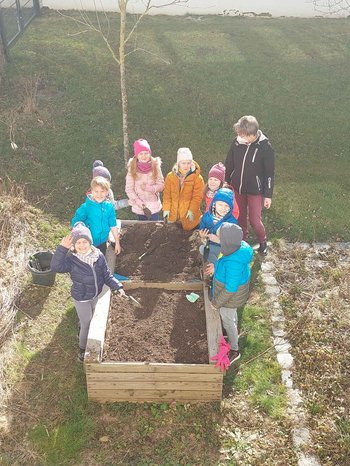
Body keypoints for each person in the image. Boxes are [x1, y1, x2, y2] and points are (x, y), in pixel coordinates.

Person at [51, 222, 126, 362]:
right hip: (81, 297)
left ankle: (82, 322)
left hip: (95, 295)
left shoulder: (98, 256)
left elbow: (107, 275)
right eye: (77, 242)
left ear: (89, 242)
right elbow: (55, 267)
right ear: (73, 245)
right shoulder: (72, 260)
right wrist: (62, 249)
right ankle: (82, 349)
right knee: (87, 323)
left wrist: (118, 286)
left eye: (84, 241)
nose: (81, 245)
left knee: (89, 315)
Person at [224, 115, 275, 254]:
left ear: (252, 134)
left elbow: (269, 173)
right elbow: (229, 163)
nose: (240, 137)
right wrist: (226, 181)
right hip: (237, 188)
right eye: (239, 133)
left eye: (244, 135)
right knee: (239, 216)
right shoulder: (236, 143)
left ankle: (262, 241)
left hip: (255, 190)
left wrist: (268, 195)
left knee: (254, 220)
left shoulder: (265, 147)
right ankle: (243, 241)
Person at [206, 223, 253, 364]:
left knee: (227, 318)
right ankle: (233, 331)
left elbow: (231, 288)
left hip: (229, 298)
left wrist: (216, 303)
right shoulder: (235, 248)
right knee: (231, 318)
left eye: (219, 236)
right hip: (232, 296)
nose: (217, 237)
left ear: (226, 242)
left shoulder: (234, 263)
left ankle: (234, 349)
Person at [71, 176, 121, 256]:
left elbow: (113, 224)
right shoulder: (86, 207)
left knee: (100, 261)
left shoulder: (109, 207)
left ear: (107, 192)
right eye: (96, 191)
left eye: (102, 191)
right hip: (88, 243)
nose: (99, 194)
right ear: (91, 191)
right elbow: (76, 223)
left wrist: (117, 242)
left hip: (102, 242)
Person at [163, 147, 204, 230]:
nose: (186, 166)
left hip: (189, 218)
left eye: (189, 163)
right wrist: (166, 209)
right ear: (178, 163)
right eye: (183, 163)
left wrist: (191, 210)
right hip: (173, 216)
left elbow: (197, 197)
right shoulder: (170, 177)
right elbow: (167, 196)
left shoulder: (198, 178)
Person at [125, 139, 164, 221]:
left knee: (154, 226)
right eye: (141, 154)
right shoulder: (132, 168)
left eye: (146, 153)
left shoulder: (155, 166)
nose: (144, 156)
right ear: (136, 155)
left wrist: (149, 188)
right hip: (140, 206)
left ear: (150, 153)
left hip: (153, 205)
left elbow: (161, 185)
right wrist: (139, 202)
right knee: (142, 228)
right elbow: (129, 189)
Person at [199, 188, 237, 265]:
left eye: (227, 205)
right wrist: (202, 236)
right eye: (220, 205)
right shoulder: (206, 217)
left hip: (223, 249)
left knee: (221, 259)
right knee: (202, 249)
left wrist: (219, 240)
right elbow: (202, 229)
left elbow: (233, 242)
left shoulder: (232, 222)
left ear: (231, 207)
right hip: (209, 245)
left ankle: (218, 269)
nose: (223, 208)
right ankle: (211, 266)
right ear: (214, 204)